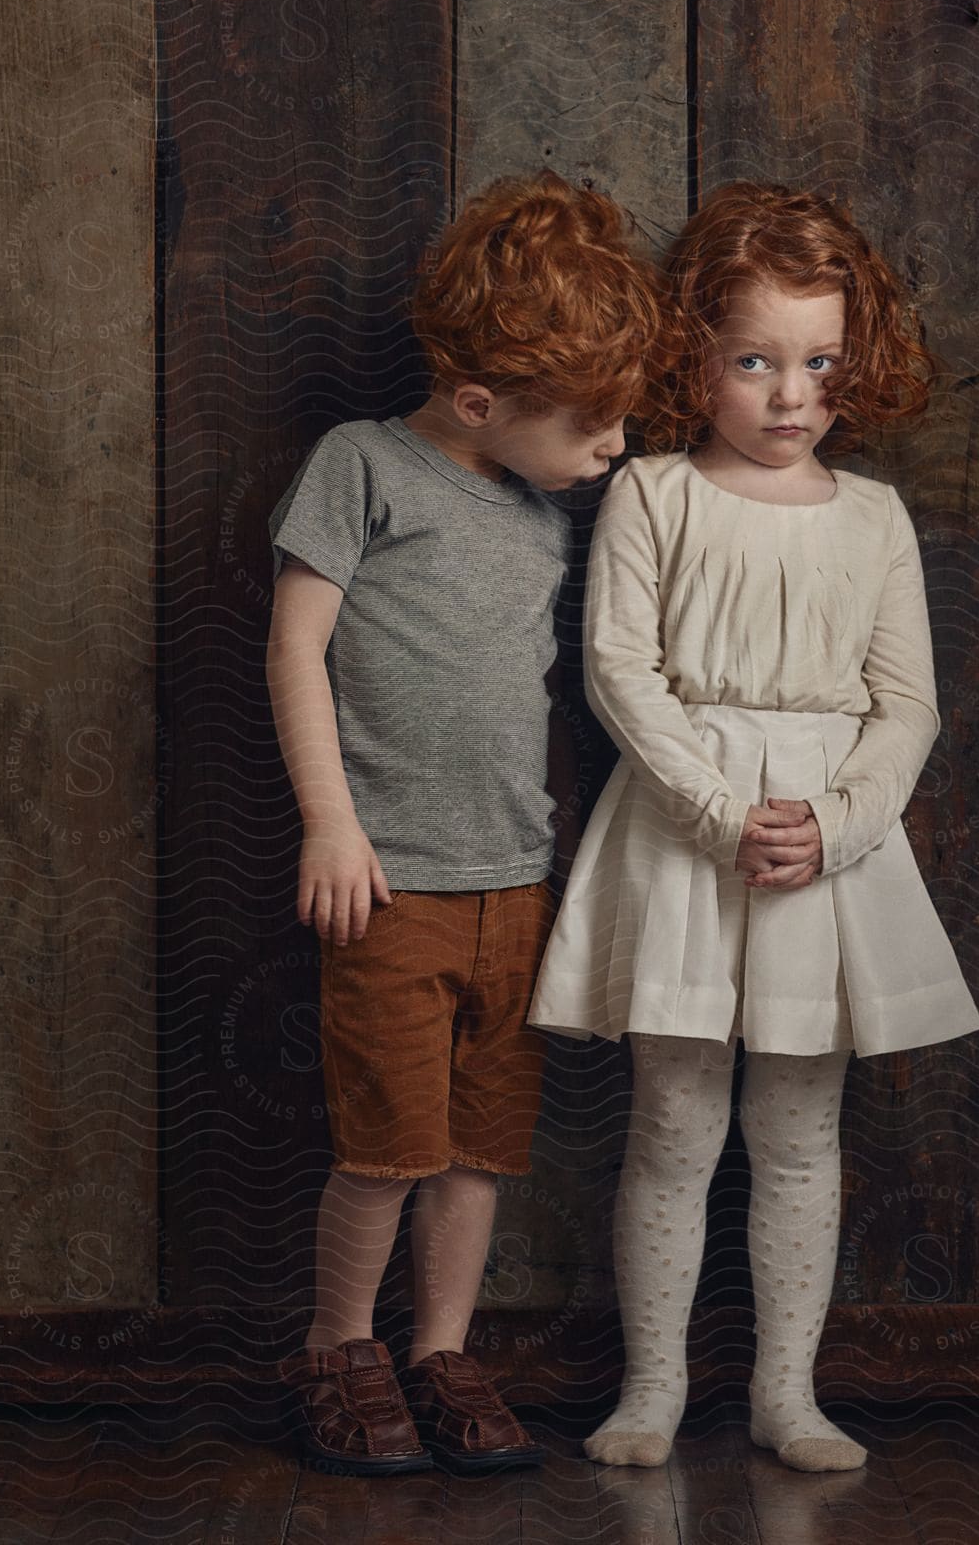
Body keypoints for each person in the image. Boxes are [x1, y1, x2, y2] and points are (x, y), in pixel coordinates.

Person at [527, 179, 979, 1473]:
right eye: (754, 361)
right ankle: (651, 1390)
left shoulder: (874, 519)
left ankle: (788, 1395)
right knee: (671, 1124)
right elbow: (621, 672)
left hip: (823, 853)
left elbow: (906, 707)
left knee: (798, 1131)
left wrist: (834, 827)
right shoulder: (654, 494)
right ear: (694, 356)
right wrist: (719, 808)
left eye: (819, 363)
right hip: (685, 832)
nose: (791, 396)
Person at [265, 170, 662, 1476]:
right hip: (390, 886)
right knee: (386, 1147)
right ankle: (338, 1347)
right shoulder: (360, 468)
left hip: (515, 884)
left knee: (479, 1149)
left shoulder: (541, 513)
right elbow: (295, 647)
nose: (615, 447)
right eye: (594, 425)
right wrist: (330, 821)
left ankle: (440, 1347)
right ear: (482, 401)